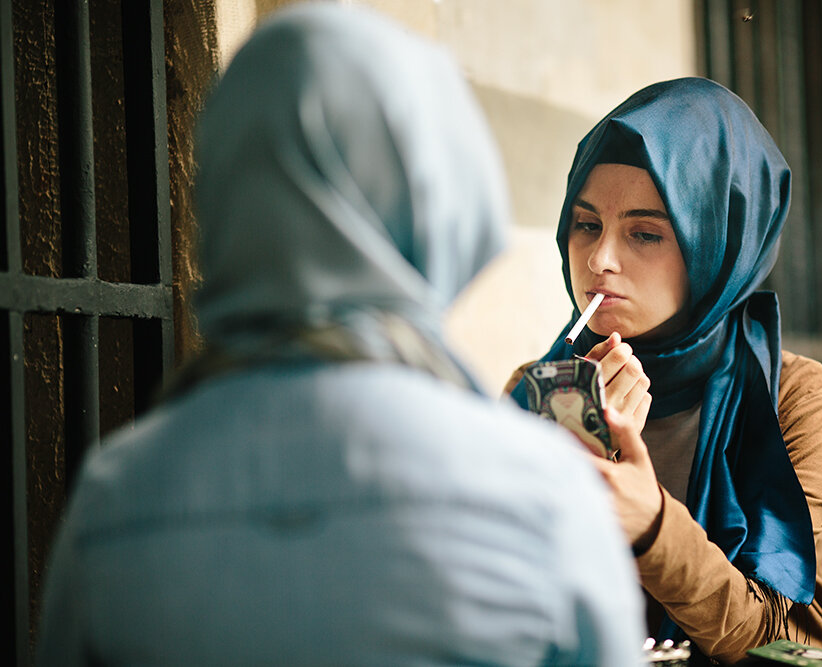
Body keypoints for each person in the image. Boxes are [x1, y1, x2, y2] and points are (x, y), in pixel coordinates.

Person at [35, 5, 645, 665]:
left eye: (646, 232)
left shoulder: (114, 498)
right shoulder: (542, 496)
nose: (603, 259)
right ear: (434, 197)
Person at [506, 77, 822, 662]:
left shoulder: (794, 396)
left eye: (645, 233)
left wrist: (651, 526)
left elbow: (782, 641)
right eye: (586, 224)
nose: (599, 259)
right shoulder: (540, 389)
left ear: (718, 246)